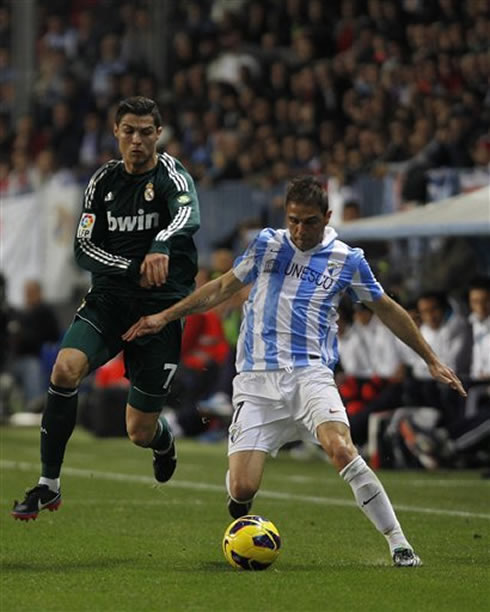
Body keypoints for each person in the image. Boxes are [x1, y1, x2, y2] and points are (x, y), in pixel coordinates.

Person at [122, 176, 466, 567]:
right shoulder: (267, 244)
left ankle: (399, 543)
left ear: (328, 217)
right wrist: (165, 317)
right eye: (293, 220)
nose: (300, 230)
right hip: (256, 381)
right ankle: (241, 490)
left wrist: (431, 358)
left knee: (341, 449)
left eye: (310, 222)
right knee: (241, 491)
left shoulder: (347, 259)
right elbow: (219, 289)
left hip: (310, 376)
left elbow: (386, 307)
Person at [12, 96, 200, 520]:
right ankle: (49, 485)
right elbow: (83, 247)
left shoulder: (171, 174)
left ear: (158, 134)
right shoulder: (103, 181)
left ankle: (162, 439)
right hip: (110, 301)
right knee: (64, 369)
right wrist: (134, 266)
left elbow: (187, 214)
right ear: (116, 133)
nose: (137, 140)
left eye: (145, 132)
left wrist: (160, 244)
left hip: (160, 309)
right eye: (128, 131)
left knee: (138, 430)